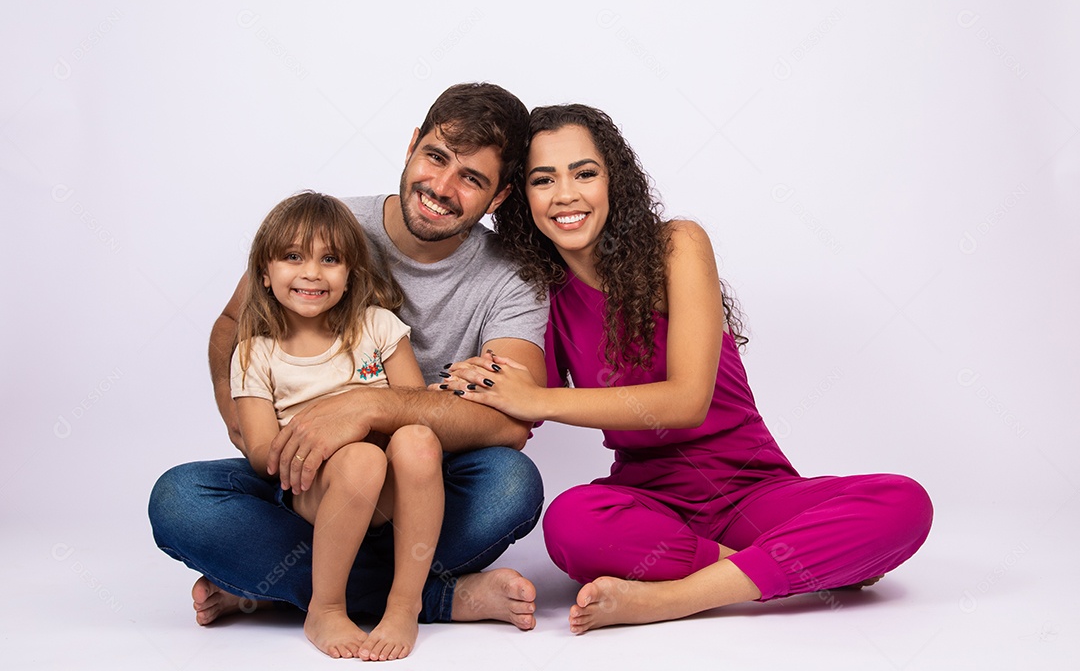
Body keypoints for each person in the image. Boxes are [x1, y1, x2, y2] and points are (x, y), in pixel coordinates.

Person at [441, 104, 934, 634]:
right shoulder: (541, 295)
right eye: (543, 179)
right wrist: (476, 383)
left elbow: (685, 401)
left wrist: (534, 399)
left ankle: (676, 598)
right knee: (569, 523)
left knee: (904, 503)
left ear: (614, 181)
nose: (566, 194)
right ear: (522, 199)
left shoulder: (676, 245)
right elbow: (517, 402)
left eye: (585, 173)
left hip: (753, 492)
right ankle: (786, 567)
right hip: (650, 500)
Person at [148, 83, 548, 645]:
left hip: (418, 487)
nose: (441, 187)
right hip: (307, 480)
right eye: (435, 158)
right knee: (179, 499)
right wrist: (259, 433)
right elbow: (233, 328)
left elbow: (511, 419)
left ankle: (276, 583)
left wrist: (367, 405)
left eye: (471, 178)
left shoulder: (511, 277)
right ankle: (438, 596)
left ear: (500, 196)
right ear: (412, 146)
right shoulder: (329, 231)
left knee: (510, 485)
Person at [231, 191, 441, 660]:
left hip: (392, 492)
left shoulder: (378, 327)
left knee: (420, 439)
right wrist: (325, 441)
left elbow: (416, 408)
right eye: (292, 257)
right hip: (314, 489)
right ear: (263, 274)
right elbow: (262, 455)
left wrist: (357, 419)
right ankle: (325, 607)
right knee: (361, 458)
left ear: (349, 275)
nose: (311, 272)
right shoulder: (255, 352)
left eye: (330, 259)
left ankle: (404, 604)